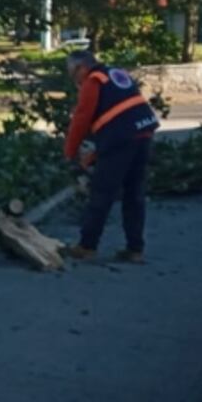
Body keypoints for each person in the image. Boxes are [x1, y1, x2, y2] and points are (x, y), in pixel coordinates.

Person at [61, 51, 159, 263]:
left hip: (122, 137)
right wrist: (96, 154)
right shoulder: (115, 74)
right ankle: (135, 249)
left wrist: (70, 152)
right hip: (142, 133)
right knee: (134, 194)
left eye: (72, 73)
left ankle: (87, 246)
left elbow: (82, 118)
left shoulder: (93, 81)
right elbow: (117, 117)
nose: (73, 79)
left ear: (81, 68)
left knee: (102, 192)